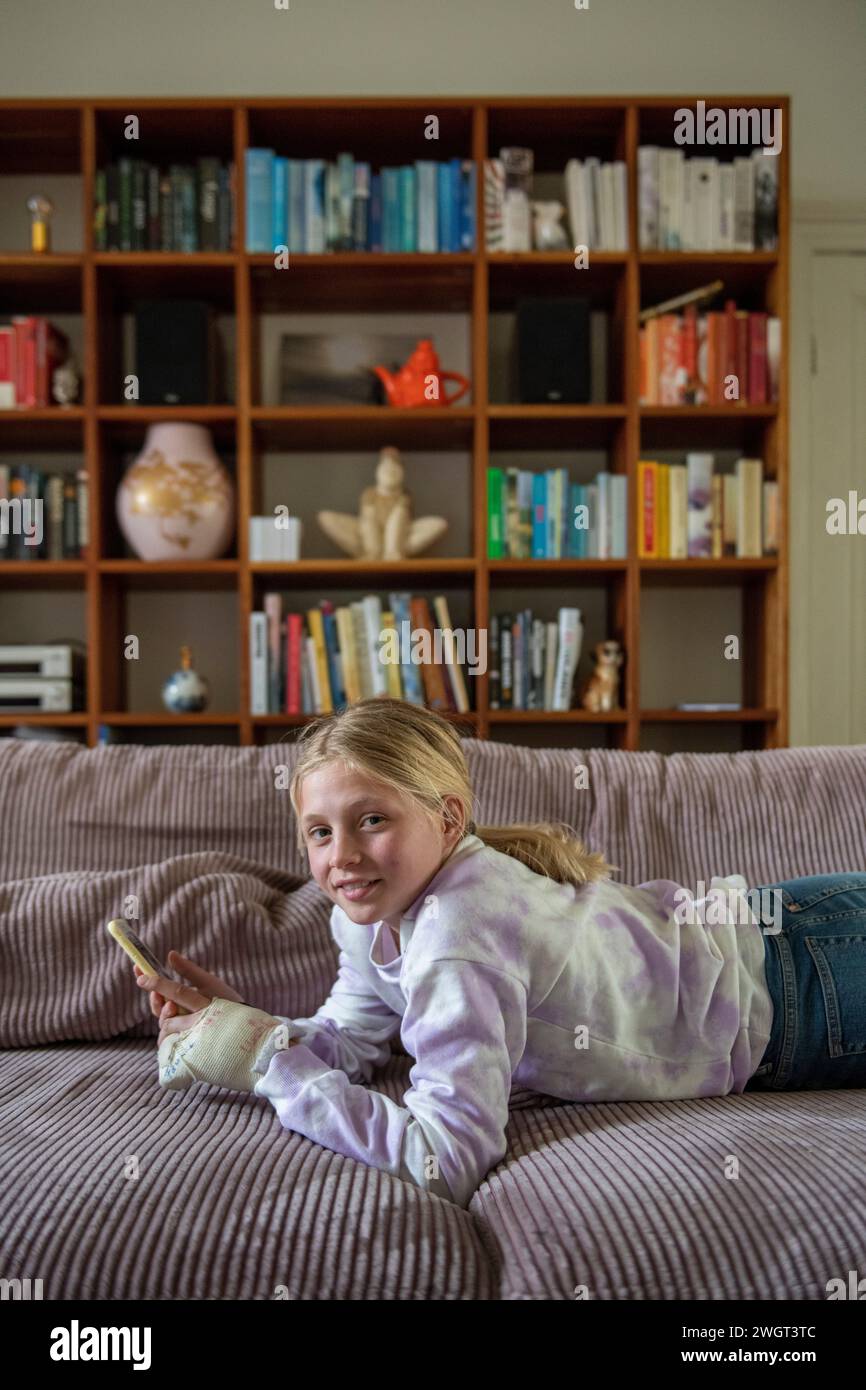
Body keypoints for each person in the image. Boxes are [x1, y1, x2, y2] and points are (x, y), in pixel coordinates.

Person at [138, 697, 866, 1209]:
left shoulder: (461, 936)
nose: (343, 858)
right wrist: (244, 1031)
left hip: (810, 975)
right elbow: (356, 1039)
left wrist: (271, 1063)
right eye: (319, 832)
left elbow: (443, 1162)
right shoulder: (367, 918)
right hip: (796, 940)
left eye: (371, 820)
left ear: (448, 818)